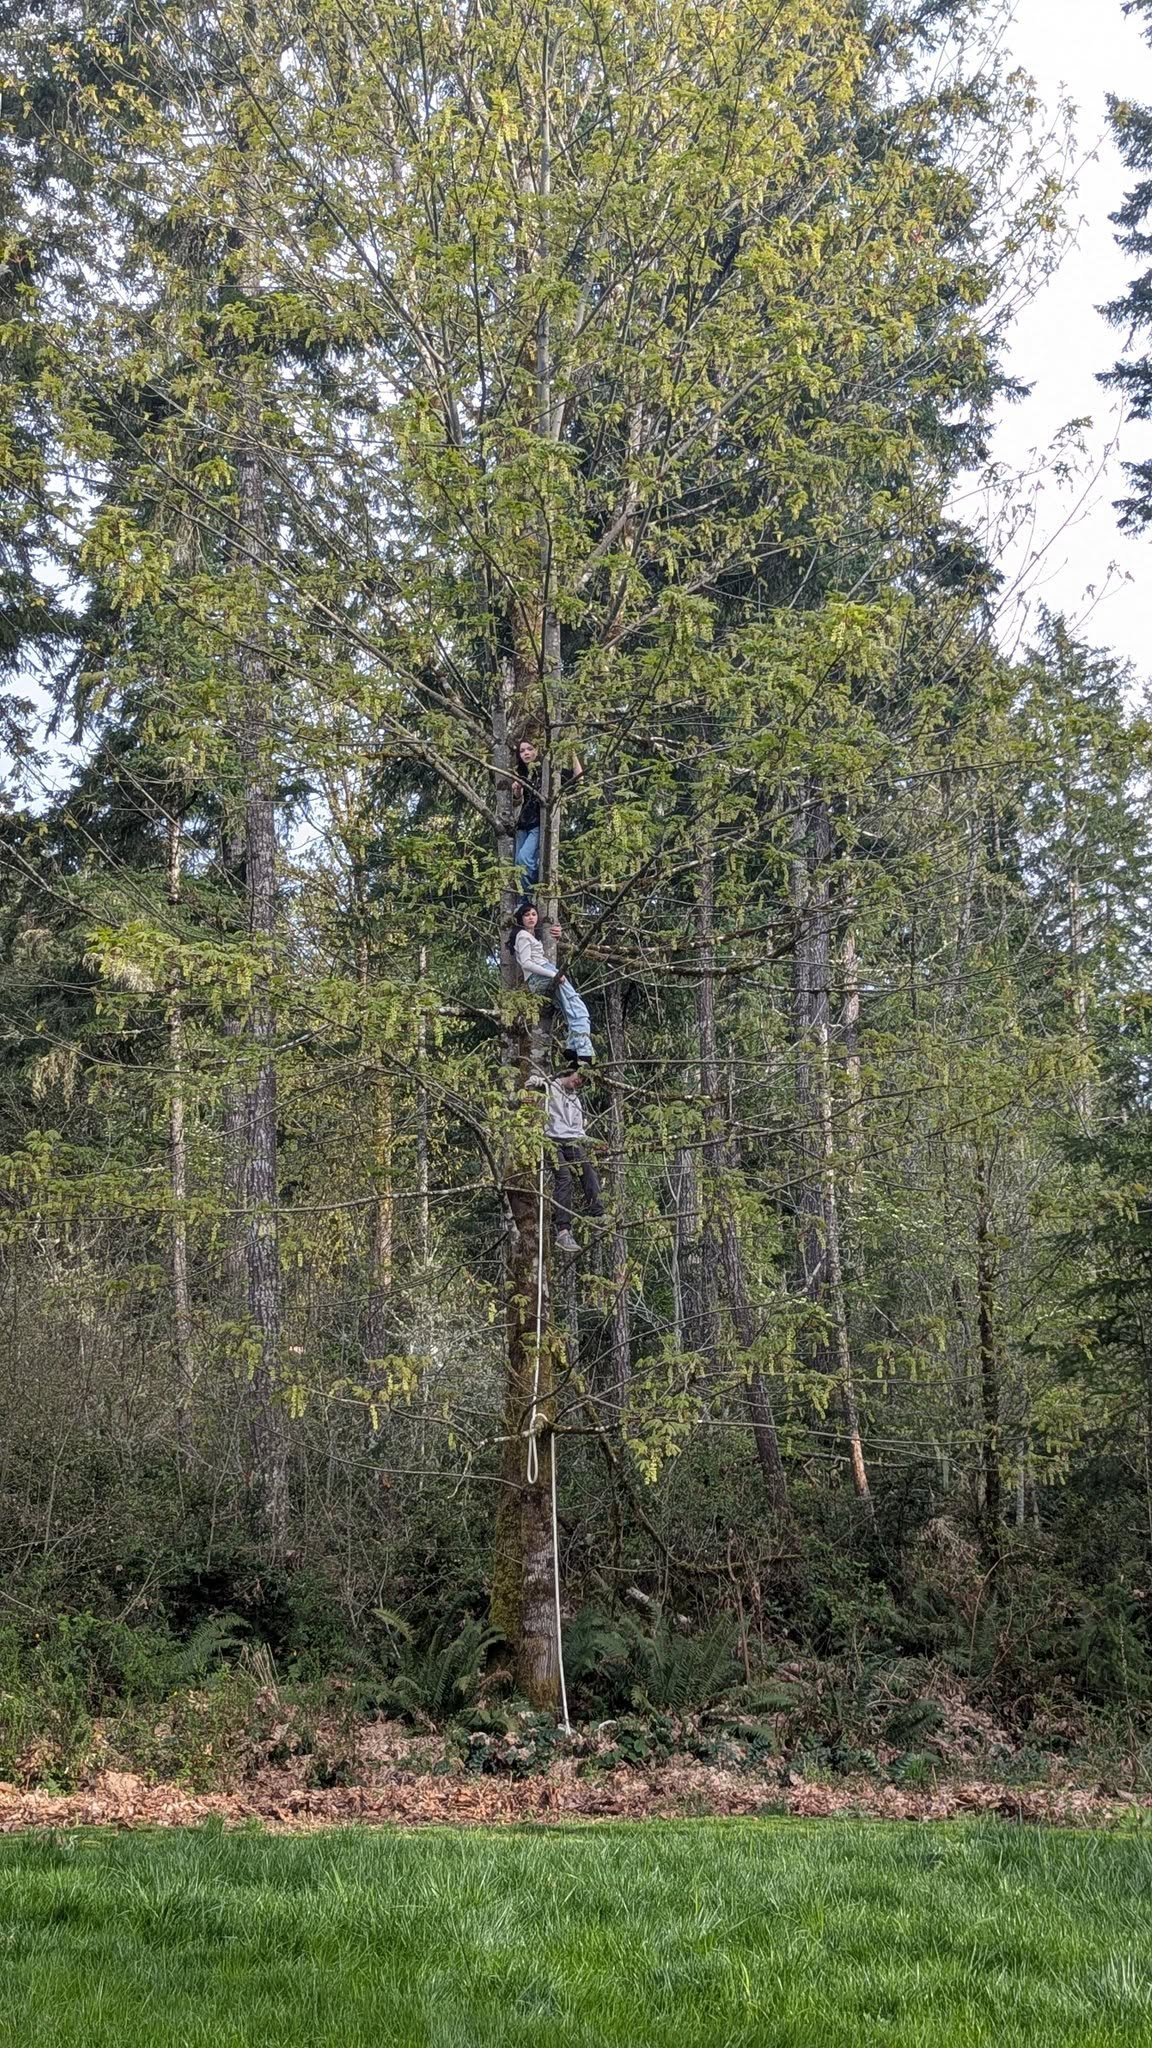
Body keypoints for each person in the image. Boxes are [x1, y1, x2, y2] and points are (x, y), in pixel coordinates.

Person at [511, 902, 594, 1062]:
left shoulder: (529, 936)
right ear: (521, 918)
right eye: (527, 915)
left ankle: (572, 1048)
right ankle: (584, 1051)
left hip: (540, 976)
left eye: (534, 914)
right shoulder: (522, 935)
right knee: (577, 1006)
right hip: (541, 975)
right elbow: (527, 963)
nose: (531, 917)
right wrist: (553, 975)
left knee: (568, 1007)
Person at [511, 736, 583, 895]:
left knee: (523, 859)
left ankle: (534, 893)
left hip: (539, 823)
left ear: (537, 751)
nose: (526, 753)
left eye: (530, 749)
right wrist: (516, 791)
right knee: (518, 864)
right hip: (522, 824)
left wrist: (571, 751)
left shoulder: (549, 772)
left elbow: (579, 778)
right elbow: (516, 801)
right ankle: (525, 903)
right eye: (522, 751)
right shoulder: (521, 774)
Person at [545, 1069, 604, 1254]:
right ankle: (563, 1231)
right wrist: (535, 1082)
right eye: (580, 1076)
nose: (580, 1081)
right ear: (571, 1072)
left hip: (571, 1141)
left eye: (584, 1080)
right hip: (550, 1140)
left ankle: (599, 1215)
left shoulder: (575, 1100)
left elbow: (579, 1131)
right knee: (564, 1178)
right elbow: (535, 1083)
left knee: (588, 1170)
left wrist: (593, 1144)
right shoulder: (550, 1088)